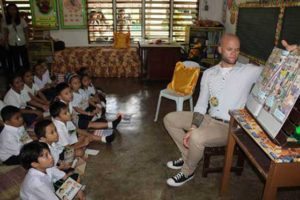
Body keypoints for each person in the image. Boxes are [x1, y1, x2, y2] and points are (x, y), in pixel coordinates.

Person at [164, 35, 300, 187]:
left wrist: (292, 54)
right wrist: (193, 126)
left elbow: (275, 71)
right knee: (170, 119)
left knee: (196, 137)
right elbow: (201, 104)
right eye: (229, 49)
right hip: (209, 118)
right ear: (220, 49)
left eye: (237, 50)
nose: (234, 53)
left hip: (229, 125)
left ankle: (188, 170)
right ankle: (188, 155)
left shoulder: (248, 71)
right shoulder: (209, 73)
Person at [19, 141, 85, 200]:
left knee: (75, 178)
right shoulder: (37, 183)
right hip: (41, 196)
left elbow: (64, 176)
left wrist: (78, 190)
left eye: (49, 153)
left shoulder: (47, 166)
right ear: (35, 164)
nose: (51, 157)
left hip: (50, 189)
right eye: (46, 156)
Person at [3, 3, 29, 73]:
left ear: (16, 10)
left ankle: (27, 73)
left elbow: (26, 31)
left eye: (14, 9)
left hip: (22, 42)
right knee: (15, 60)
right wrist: (6, 43)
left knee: (25, 59)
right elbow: (5, 33)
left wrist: (27, 41)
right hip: (12, 42)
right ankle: (18, 74)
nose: (12, 11)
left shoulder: (21, 20)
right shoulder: (6, 21)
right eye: (10, 9)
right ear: (8, 11)